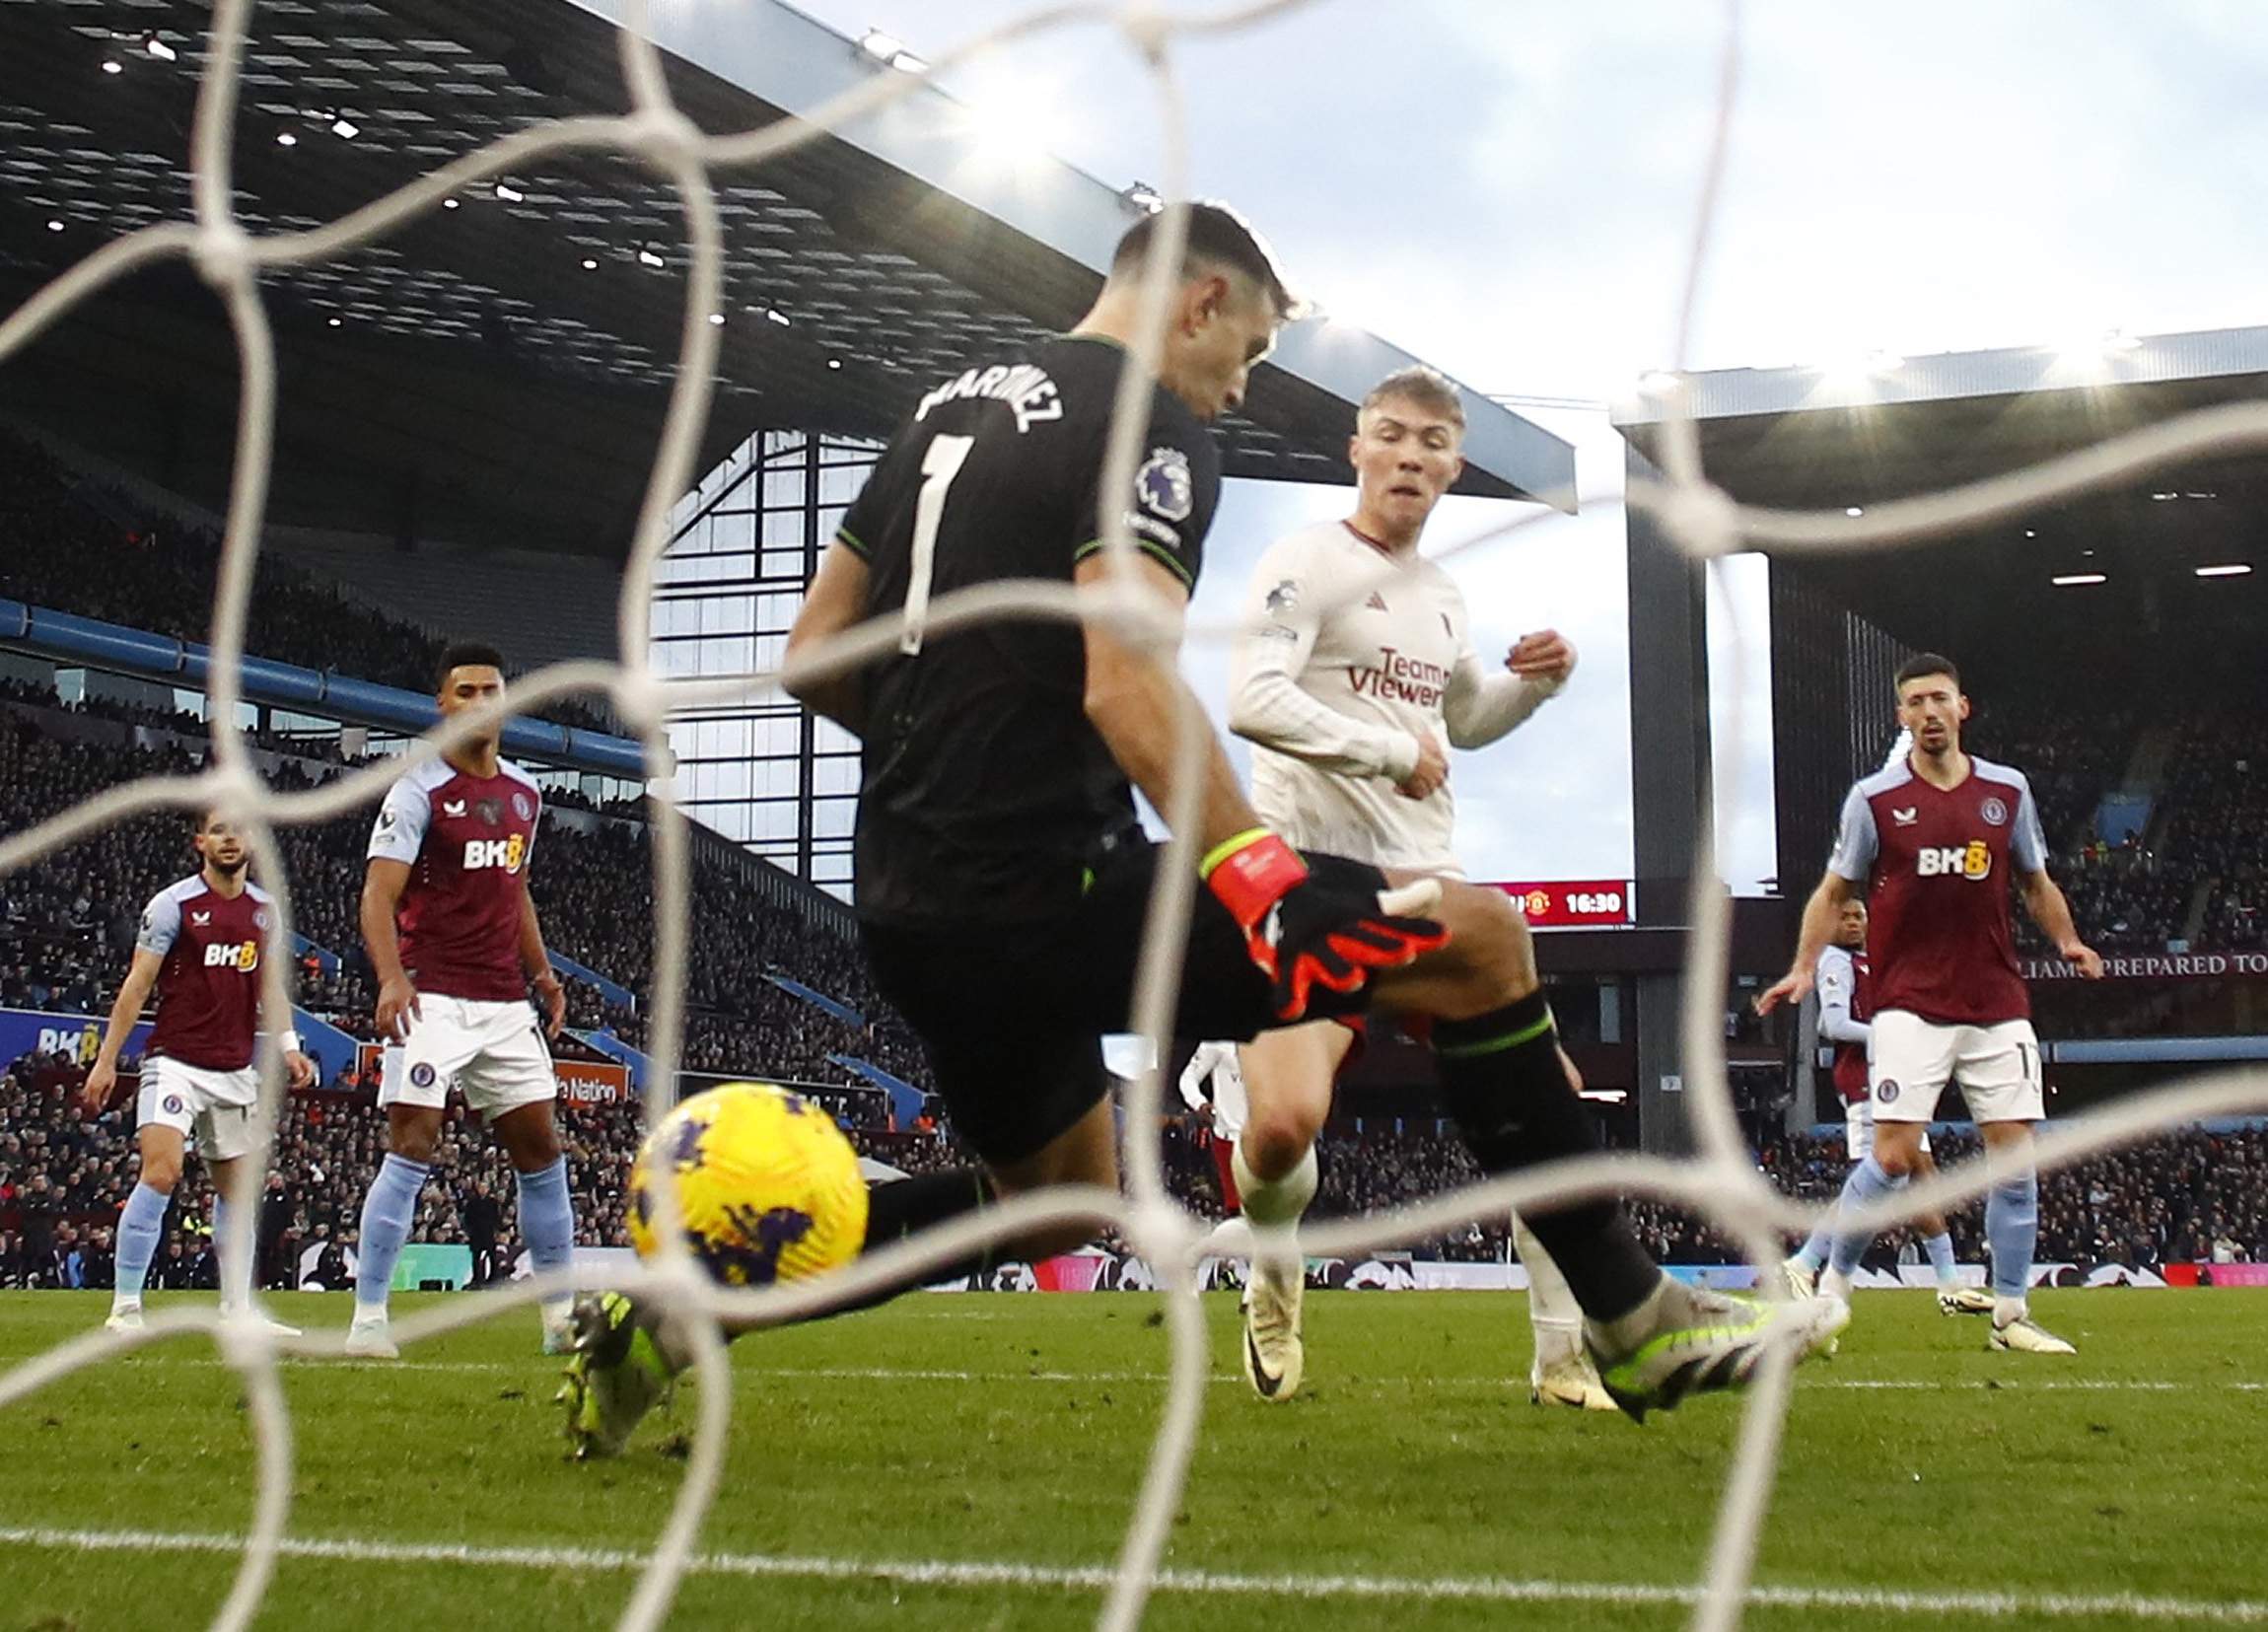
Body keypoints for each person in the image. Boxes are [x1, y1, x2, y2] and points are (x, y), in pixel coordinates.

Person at [560, 200, 1844, 1455]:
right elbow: (1127, 674)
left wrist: (942, 761)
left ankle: (677, 1316)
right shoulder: (1148, 423)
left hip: (908, 894)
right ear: (1201, 300)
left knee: (1053, 1200)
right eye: (1252, 351)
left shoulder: (942, 412)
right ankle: (1628, 1313)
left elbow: (812, 658)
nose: (1240, 386)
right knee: (1486, 940)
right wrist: (1258, 867)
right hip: (1049, 881)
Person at [1218, 364, 1609, 1409]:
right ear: (1356, 448)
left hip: (1425, 889)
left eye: (1431, 441)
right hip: (1307, 887)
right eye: (1390, 434)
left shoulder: (1441, 595)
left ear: (1450, 462)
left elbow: (1461, 721)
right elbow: (1249, 698)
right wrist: (1383, 754)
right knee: (1280, 1130)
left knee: (1549, 1109)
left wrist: (1534, 686)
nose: (1409, 455)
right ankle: (1269, 1266)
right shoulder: (1302, 561)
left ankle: (1560, 1354)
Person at [1758, 654, 2103, 1353]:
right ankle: (1817, 1278)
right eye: (1915, 703)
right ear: (1902, 717)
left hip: (1997, 1000)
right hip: (1909, 1003)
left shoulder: (2007, 790)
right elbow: (1833, 893)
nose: (1929, 713)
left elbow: (2035, 881)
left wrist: (2067, 940)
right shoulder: (1875, 800)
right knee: (1890, 1156)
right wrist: (1801, 967)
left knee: (2013, 1158)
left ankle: (2010, 1315)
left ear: (1962, 707)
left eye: (1939, 699)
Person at [345, 642, 575, 1359]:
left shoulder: (525, 795)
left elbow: (518, 888)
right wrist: (391, 978)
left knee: (541, 1152)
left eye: (491, 690)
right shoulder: (417, 790)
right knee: (412, 1144)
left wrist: (543, 973)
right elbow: (377, 896)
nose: (480, 701)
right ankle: (369, 1320)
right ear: (442, 704)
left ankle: (560, 1319)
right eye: (465, 690)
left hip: (505, 1004)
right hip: (432, 999)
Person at [81, 809, 316, 1332]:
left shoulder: (264, 910)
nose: (230, 838)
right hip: (175, 1063)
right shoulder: (174, 905)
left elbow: (270, 987)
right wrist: (105, 1061)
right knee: (162, 1173)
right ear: (200, 843)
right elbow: (138, 984)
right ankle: (125, 1307)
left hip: (234, 1068)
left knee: (237, 1192)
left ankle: (237, 1309)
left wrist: (288, 1046)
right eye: (219, 831)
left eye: (239, 830)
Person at [1780, 897, 1994, 1315]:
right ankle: (1804, 1263)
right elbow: (1832, 1024)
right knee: (1878, 1183)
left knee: (1922, 1178)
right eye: (1846, 917)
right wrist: (1887, 1034)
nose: (1855, 922)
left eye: (1860, 915)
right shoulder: (1835, 962)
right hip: (1866, 1081)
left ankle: (1950, 1284)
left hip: (1894, 1079)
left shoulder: (1870, 962)